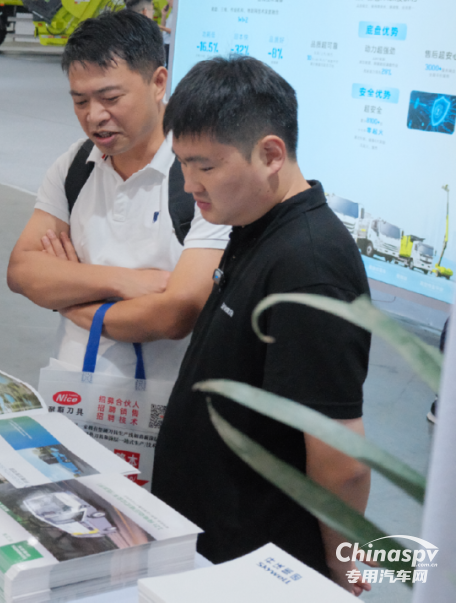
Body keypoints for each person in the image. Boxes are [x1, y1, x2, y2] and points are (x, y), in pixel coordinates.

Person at [151, 56, 373, 595]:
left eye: (205, 166)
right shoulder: (253, 224)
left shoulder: (310, 268)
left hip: (258, 561)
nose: (189, 184)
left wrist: (342, 561)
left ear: (271, 154)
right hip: (209, 541)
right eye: (182, 164)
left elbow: (341, 458)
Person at [7, 10, 229, 378]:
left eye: (110, 98)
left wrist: (71, 296)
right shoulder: (75, 166)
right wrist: (123, 282)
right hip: (74, 394)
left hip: (167, 401)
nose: (94, 116)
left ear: (158, 83)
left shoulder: (200, 174)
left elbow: (175, 314)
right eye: (80, 102)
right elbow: (21, 271)